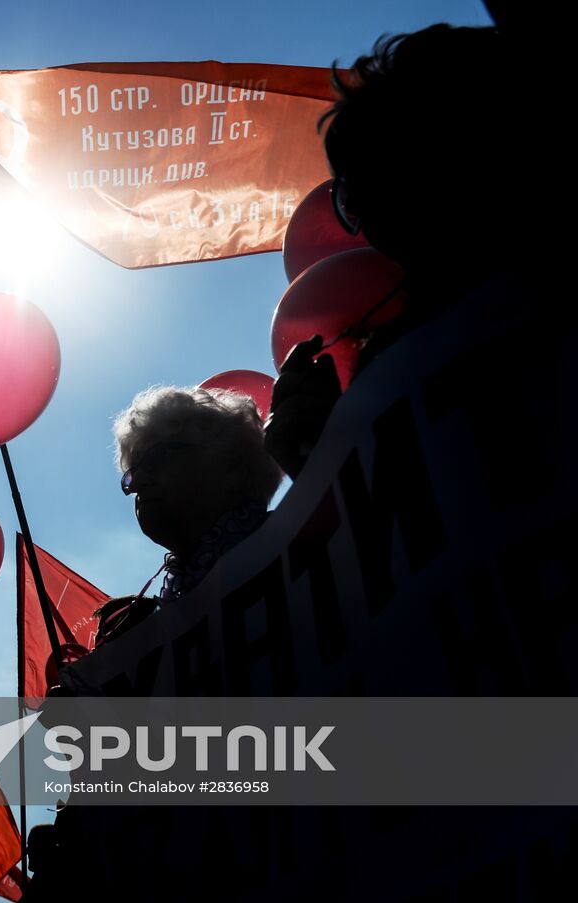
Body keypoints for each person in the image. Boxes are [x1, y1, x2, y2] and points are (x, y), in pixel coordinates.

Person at [265, 24, 527, 478]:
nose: (369, 224)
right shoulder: (390, 360)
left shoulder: (408, 358)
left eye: (385, 180)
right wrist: (327, 459)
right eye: (353, 200)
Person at [94, 385, 282, 646]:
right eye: (132, 474)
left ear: (231, 461)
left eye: (156, 458)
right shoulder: (157, 621)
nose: (137, 485)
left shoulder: (304, 542)